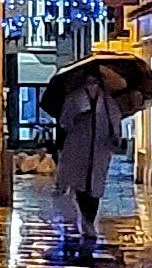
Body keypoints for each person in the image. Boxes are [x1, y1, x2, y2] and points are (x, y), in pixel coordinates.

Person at [49, 60, 136, 246]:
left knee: (95, 187)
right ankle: (86, 220)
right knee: (81, 184)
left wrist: (116, 137)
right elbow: (65, 121)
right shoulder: (75, 99)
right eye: (89, 82)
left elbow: (115, 121)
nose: (92, 86)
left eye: (95, 82)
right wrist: (77, 116)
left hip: (100, 148)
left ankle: (90, 220)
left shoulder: (107, 101)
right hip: (79, 147)